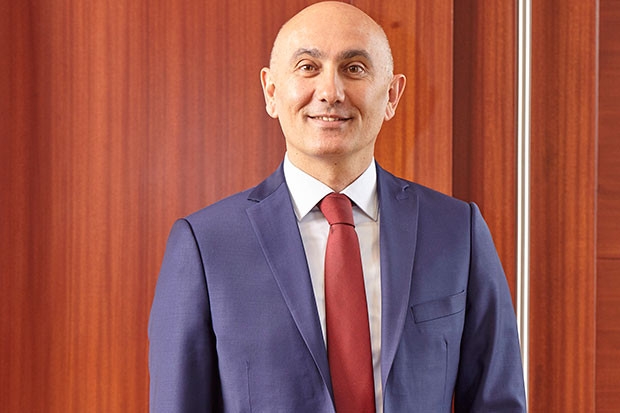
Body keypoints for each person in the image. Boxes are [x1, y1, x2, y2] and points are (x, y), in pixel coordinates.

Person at [148, 1, 527, 412]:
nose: (330, 92)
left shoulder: (456, 231)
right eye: (308, 67)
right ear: (272, 92)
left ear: (392, 95)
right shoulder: (205, 245)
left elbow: (498, 402)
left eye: (355, 68)